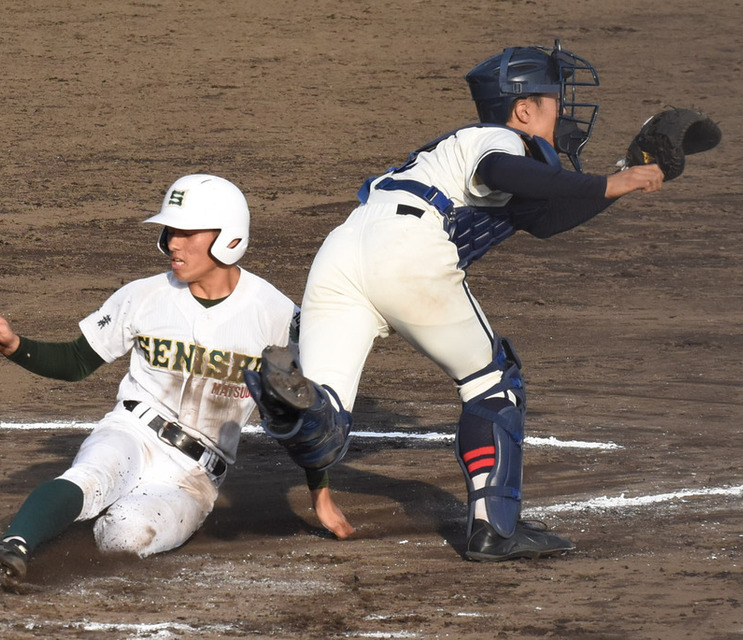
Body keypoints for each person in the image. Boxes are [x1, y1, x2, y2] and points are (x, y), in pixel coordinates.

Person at [244, 41, 665, 561]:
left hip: (341, 254)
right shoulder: (497, 140)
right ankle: (495, 531)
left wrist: (623, 181)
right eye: (555, 100)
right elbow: (504, 173)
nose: (564, 113)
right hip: (407, 250)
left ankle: (287, 405)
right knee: (493, 384)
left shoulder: (465, 157)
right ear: (524, 108)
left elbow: (549, 220)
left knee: (327, 417)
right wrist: (610, 179)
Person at [0, 174, 353, 586]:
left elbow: (304, 417)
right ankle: (15, 544)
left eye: (187, 232)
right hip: (132, 430)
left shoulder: (274, 314)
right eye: (171, 231)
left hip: (194, 474)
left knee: (125, 535)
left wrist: (321, 495)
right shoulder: (143, 295)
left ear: (230, 238)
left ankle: (63, 520)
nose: (172, 242)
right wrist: (14, 345)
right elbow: (77, 361)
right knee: (92, 474)